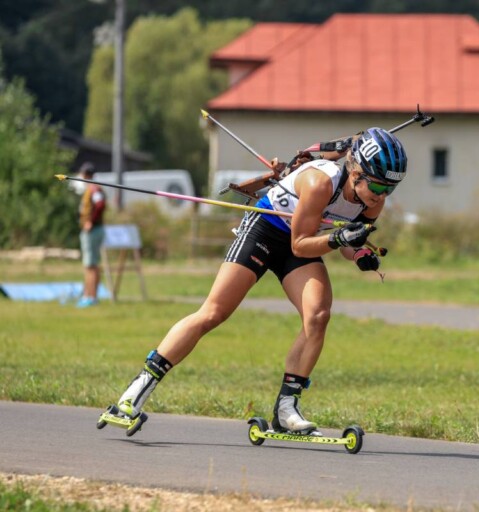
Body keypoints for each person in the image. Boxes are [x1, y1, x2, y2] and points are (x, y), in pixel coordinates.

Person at [110, 127, 407, 434]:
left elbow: (347, 243)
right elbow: (302, 244)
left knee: (318, 315)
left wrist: (359, 253)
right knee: (213, 313)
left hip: (300, 241)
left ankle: (286, 408)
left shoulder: (373, 202)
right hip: (265, 230)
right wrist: (340, 239)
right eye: (377, 185)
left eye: (390, 189)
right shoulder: (320, 182)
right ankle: (135, 392)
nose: (381, 195)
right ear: (356, 171)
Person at [75, 162, 107, 308]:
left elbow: (100, 204)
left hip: (93, 230)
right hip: (96, 229)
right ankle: (91, 296)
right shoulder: (92, 188)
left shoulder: (93, 188)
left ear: (86, 175)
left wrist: (90, 222)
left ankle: (90, 297)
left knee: (90, 266)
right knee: (93, 264)